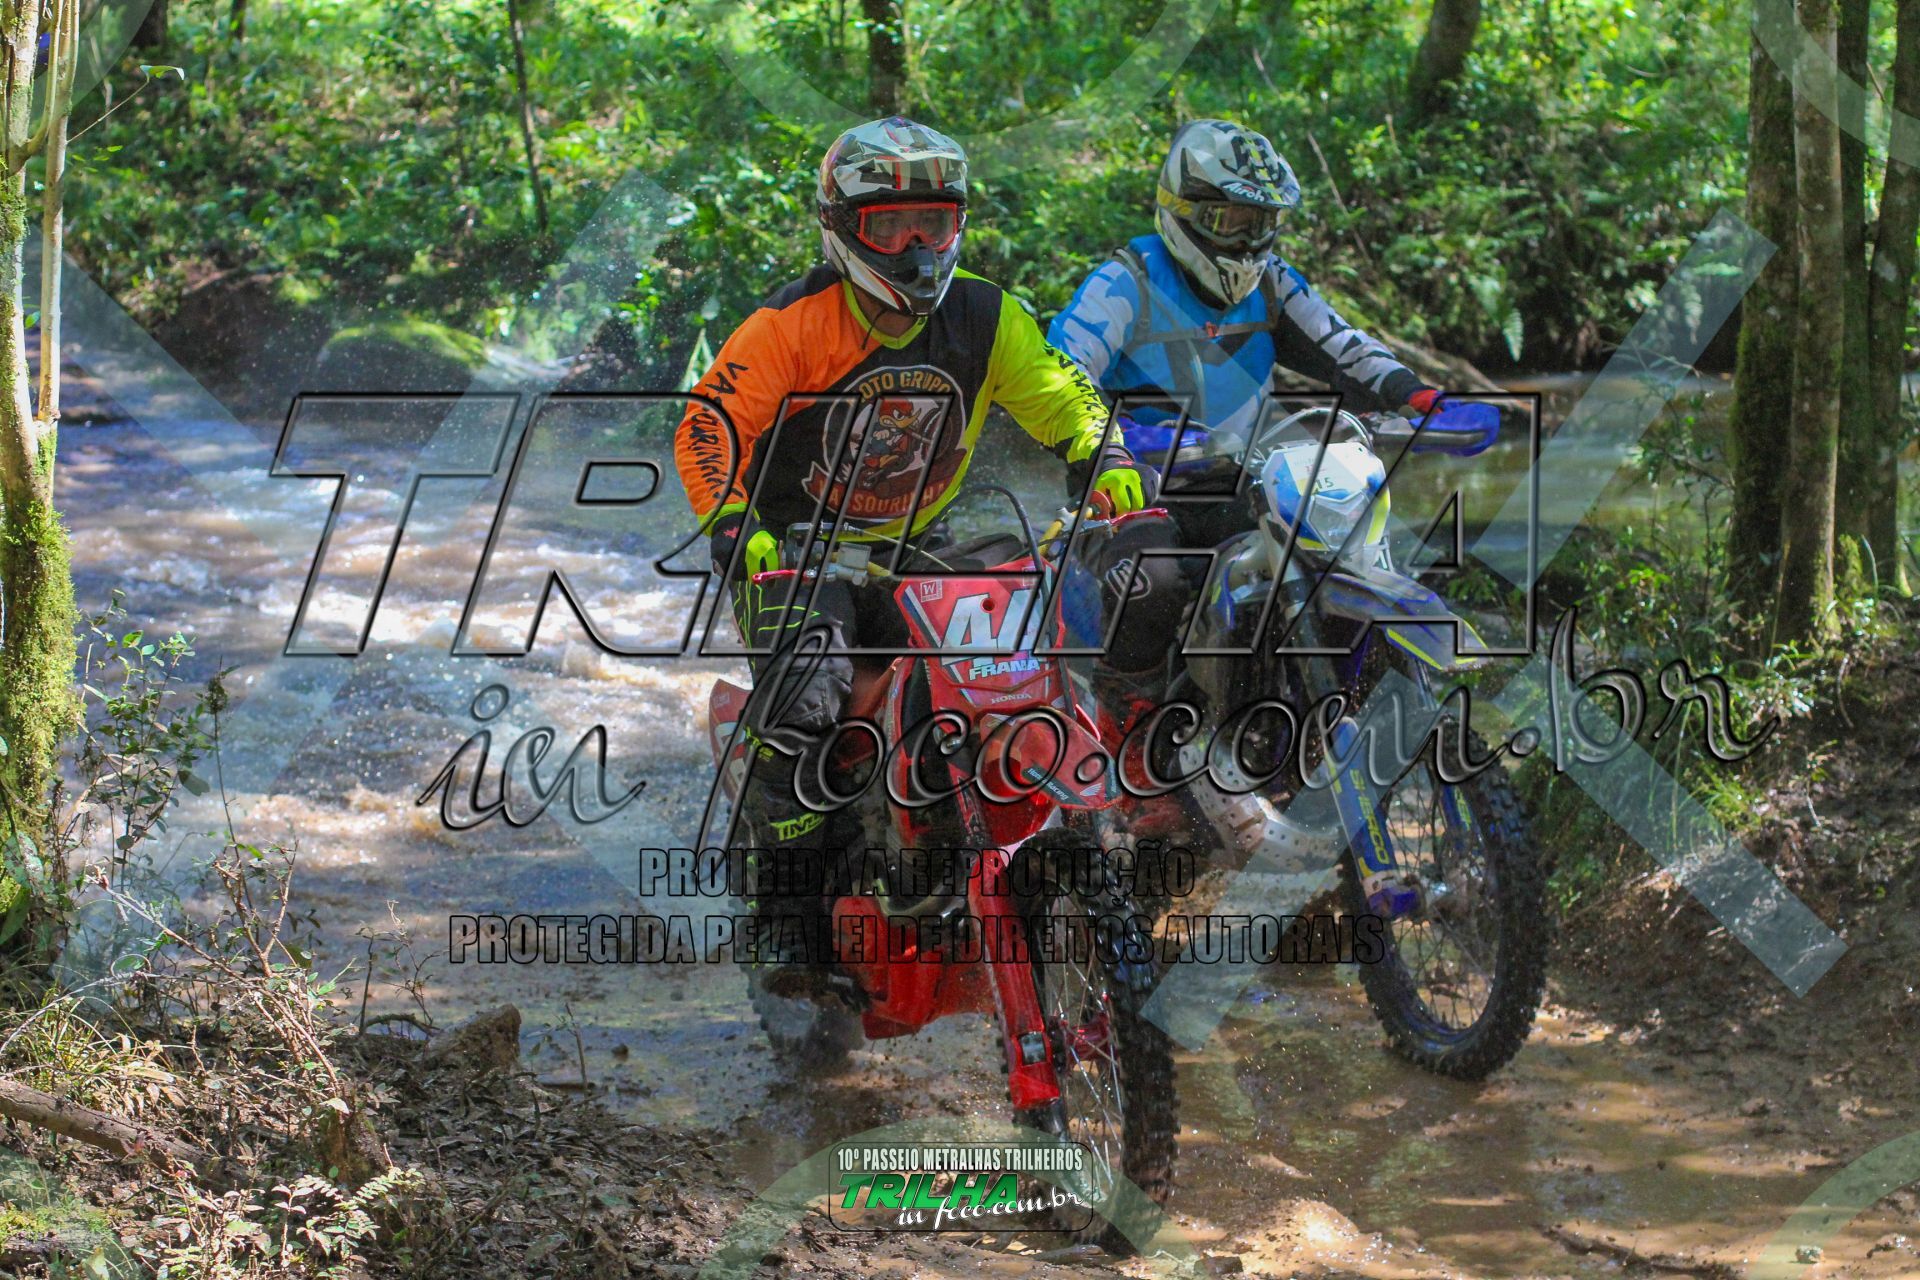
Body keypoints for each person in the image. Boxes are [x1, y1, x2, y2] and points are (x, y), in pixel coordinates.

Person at [673, 116, 1177, 994]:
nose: (916, 248)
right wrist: (733, 523)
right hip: (795, 552)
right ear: (842, 228)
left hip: (920, 543)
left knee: (1031, 655)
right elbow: (708, 427)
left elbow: (1067, 398)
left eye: (933, 224)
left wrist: (1108, 460)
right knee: (809, 702)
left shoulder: (986, 315)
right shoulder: (790, 325)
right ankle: (786, 920)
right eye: (891, 226)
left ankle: (1065, 832)